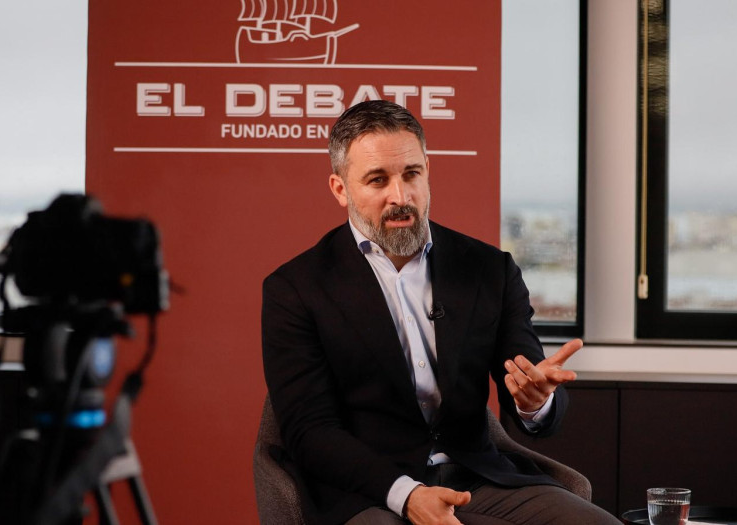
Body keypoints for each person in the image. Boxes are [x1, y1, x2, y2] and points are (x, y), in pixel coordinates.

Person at [262, 100, 620, 525]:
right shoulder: (296, 288)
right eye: (378, 180)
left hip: (478, 476)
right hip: (367, 491)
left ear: (428, 170)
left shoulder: (490, 270)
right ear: (340, 189)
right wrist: (408, 495)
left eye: (411, 174)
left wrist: (535, 402)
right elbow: (309, 432)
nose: (401, 197)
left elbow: (525, 375)